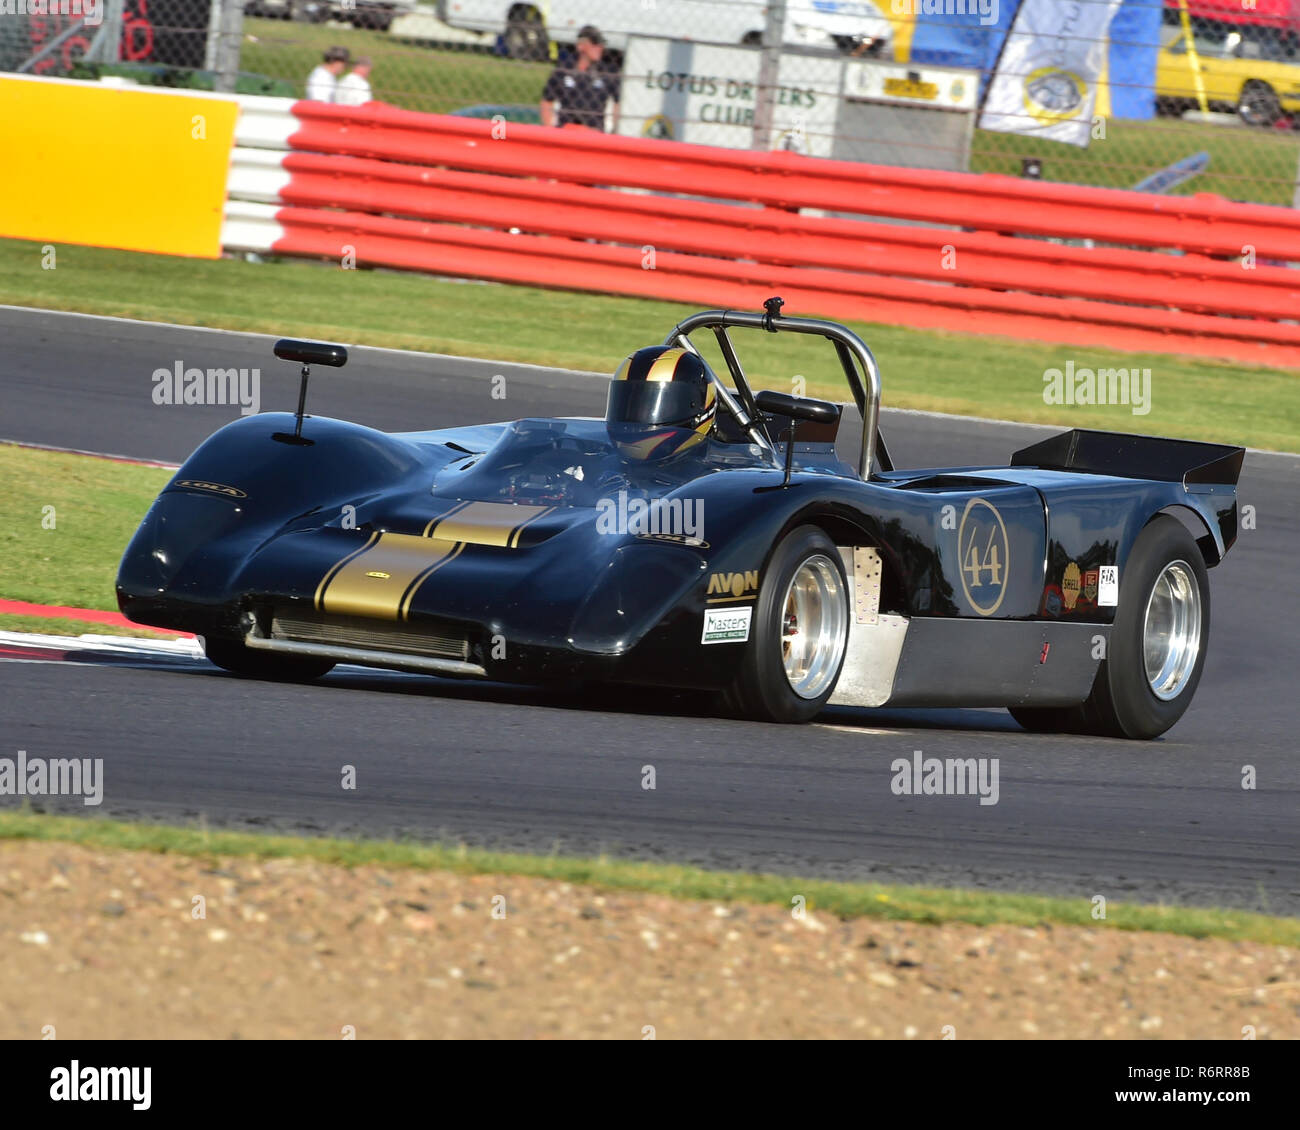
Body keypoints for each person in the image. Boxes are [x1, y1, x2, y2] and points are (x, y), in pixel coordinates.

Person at [605, 346, 716, 462]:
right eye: (628, 404)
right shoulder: (604, 463)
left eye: (649, 407)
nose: (633, 428)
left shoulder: (721, 473)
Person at [539, 25, 620, 131]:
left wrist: (612, 131)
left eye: (601, 44)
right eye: (595, 43)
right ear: (581, 45)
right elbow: (547, 101)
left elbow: (617, 103)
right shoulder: (564, 69)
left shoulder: (607, 72)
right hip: (565, 130)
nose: (600, 47)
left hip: (594, 133)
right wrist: (550, 130)